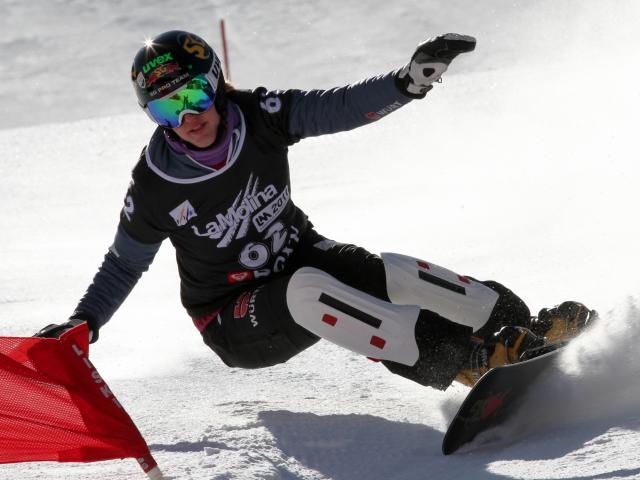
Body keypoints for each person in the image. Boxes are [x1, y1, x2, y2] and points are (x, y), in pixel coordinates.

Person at [36, 30, 595, 389]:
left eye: (193, 96)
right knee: (308, 288)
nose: (186, 117)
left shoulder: (259, 115)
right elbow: (124, 263)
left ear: (215, 84)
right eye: (166, 109)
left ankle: (518, 327)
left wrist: (406, 84)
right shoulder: (156, 183)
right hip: (231, 317)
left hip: (300, 257)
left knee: (390, 273)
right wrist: (85, 322)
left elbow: (336, 107)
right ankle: (468, 361)